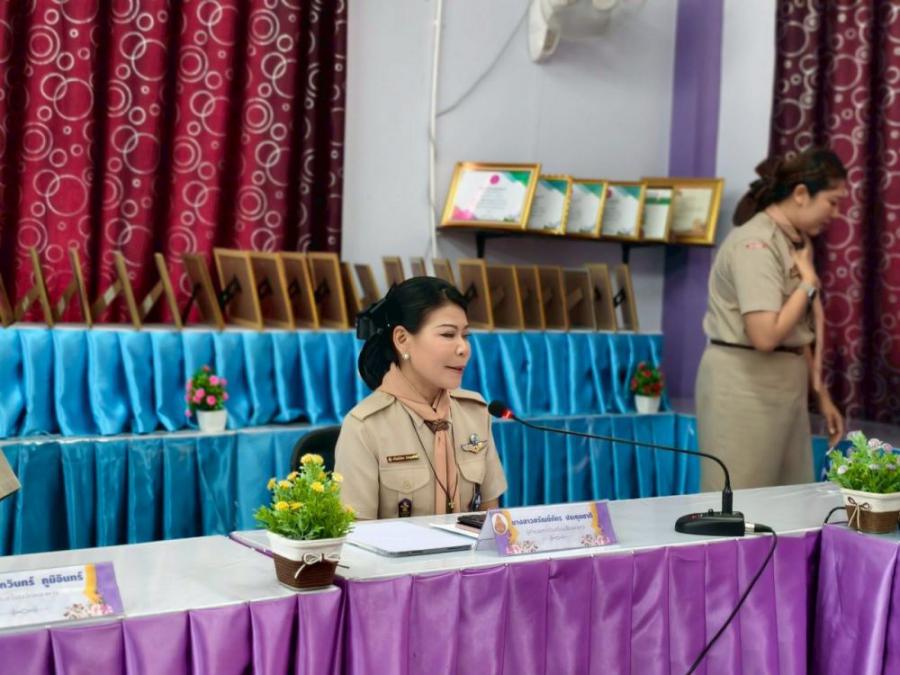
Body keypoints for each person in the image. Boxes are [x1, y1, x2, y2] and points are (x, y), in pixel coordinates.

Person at [696, 147, 847, 491]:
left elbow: (796, 330)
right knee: (740, 502)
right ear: (800, 194)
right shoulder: (756, 243)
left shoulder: (793, 241)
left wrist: (821, 395)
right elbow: (765, 335)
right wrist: (808, 285)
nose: (836, 213)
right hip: (745, 387)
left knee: (788, 500)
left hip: (784, 386)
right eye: (833, 201)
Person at [335, 277, 507, 519]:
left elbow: (492, 518)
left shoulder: (475, 413)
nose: (463, 348)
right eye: (448, 334)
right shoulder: (365, 427)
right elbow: (357, 534)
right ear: (402, 339)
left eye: (465, 335)